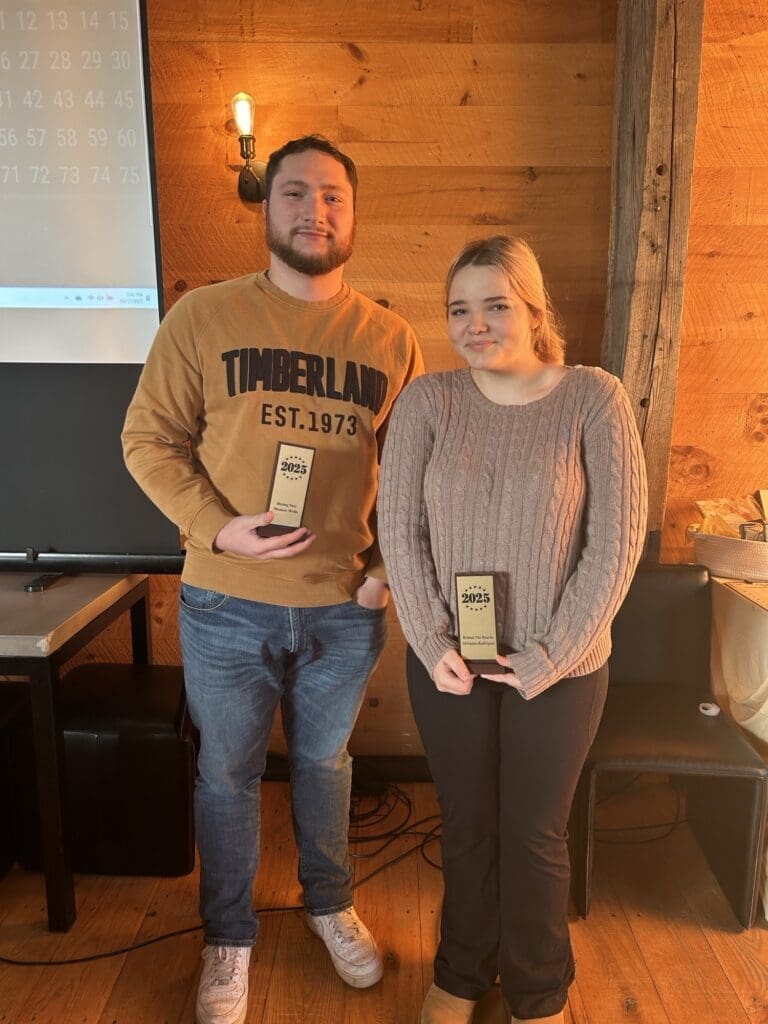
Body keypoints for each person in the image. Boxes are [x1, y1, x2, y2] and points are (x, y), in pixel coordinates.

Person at [122, 135, 423, 1024]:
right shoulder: (203, 318)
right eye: (296, 193)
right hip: (223, 603)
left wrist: (383, 578)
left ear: (354, 216)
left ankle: (330, 905)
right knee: (227, 773)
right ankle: (228, 937)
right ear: (267, 209)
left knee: (327, 765)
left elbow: (410, 480)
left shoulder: (390, 339)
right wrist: (219, 527)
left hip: (344, 609)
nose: (315, 210)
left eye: (333, 196)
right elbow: (147, 441)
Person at [378, 235, 647, 1024]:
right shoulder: (428, 401)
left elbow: (616, 542)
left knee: (533, 833)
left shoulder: (592, 396)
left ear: (533, 311)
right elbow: (400, 534)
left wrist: (551, 656)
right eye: (460, 309)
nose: (475, 323)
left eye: (495, 305)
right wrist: (431, 643)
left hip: (560, 667)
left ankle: (538, 991)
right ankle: (461, 973)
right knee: (463, 825)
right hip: (450, 663)